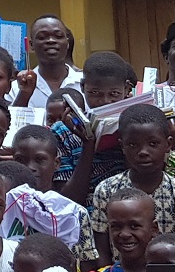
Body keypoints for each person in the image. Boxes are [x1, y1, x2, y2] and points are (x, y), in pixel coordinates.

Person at [81, 104, 175, 266]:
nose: (143, 152)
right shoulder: (106, 190)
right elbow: (101, 249)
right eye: (133, 145)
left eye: (153, 144)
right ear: (122, 146)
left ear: (168, 144)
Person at [51, 52, 139, 201]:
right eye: (94, 93)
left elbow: (141, 181)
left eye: (114, 94)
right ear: (83, 87)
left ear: (126, 89)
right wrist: (88, 145)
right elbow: (68, 199)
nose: (104, 101)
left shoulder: (136, 126)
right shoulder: (63, 132)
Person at [19, 16, 77, 108]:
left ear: (67, 43)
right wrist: (24, 95)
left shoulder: (85, 84)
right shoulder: (17, 88)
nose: (51, 41)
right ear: (31, 44)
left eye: (58, 36)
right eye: (42, 37)